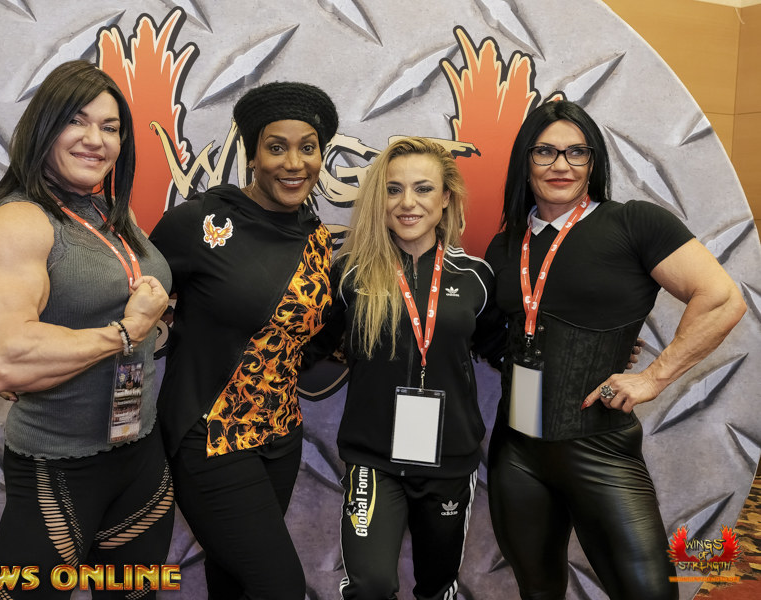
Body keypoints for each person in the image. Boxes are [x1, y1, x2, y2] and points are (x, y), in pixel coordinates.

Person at [484, 100, 746, 599]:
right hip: (516, 452)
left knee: (649, 593)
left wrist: (653, 376)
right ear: (525, 161)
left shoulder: (635, 223)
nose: (561, 165)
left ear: (594, 162)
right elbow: (498, 332)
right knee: (537, 593)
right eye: (545, 152)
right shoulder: (505, 245)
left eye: (576, 152)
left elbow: (722, 300)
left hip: (600, 449)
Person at [0, 60, 174, 599]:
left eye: (110, 127)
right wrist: (128, 331)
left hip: (140, 454)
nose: (95, 139)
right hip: (59, 469)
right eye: (76, 121)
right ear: (43, 127)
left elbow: (95, 304)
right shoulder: (15, 223)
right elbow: (5, 361)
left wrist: (150, 320)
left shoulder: (109, 213)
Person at [148, 81, 339, 599]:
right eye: (276, 147)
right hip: (211, 437)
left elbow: (308, 335)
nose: (293, 163)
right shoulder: (199, 222)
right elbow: (127, 295)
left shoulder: (316, 237)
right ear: (253, 156)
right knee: (280, 587)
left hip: (281, 438)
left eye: (308, 147)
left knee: (234, 581)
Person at [309, 137, 505, 599]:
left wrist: (598, 352)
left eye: (423, 188)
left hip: (448, 460)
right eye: (393, 190)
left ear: (446, 198)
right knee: (371, 585)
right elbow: (308, 346)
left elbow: (503, 348)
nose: (407, 203)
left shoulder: (476, 277)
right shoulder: (351, 273)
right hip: (372, 458)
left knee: (436, 587)